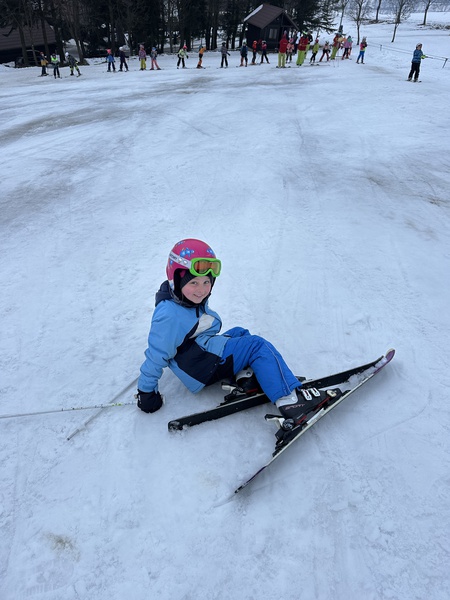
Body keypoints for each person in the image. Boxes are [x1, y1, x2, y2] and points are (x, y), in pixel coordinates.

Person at [137, 239, 304, 422]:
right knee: (257, 345)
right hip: (198, 367)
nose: (201, 290)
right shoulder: (169, 315)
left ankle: (245, 377)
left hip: (198, 354)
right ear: (175, 279)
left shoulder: (182, 298)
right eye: (193, 282)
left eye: (206, 282)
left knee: (240, 332)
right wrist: (146, 393)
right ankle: (290, 401)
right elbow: (157, 354)